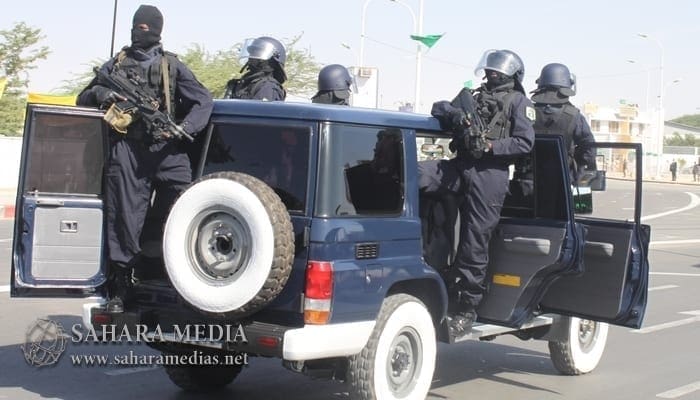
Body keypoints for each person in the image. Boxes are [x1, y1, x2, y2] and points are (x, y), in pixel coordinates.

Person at [76, 4, 214, 312]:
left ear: (156, 30)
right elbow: (84, 97)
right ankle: (120, 286)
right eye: (136, 27)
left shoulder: (171, 66)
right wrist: (103, 96)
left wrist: (183, 128)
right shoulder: (116, 65)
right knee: (123, 217)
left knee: (187, 204)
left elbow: (203, 101)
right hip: (127, 149)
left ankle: (177, 271)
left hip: (166, 149)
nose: (140, 33)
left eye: (145, 28)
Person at [425, 49, 535, 336]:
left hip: (491, 173)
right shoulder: (473, 97)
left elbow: (524, 143)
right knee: (418, 176)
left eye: (498, 71)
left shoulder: (519, 102)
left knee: (475, 242)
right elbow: (438, 108)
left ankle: (466, 308)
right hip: (461, 165)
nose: (492, 74)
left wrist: (490, 147)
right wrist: (457, 116)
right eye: (490, 70)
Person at [516, 63, 596, 191]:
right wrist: (578, 175)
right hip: (561, 180)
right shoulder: (574, 116)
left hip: (527, 181)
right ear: (567, 86)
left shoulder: (526, 111)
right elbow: (589, 149)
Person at [223, 36, 287, 101]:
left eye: (257, 53)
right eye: (252, 53)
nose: (251, 57)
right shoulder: (242, 84)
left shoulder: (267, 87)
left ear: (271, 60)